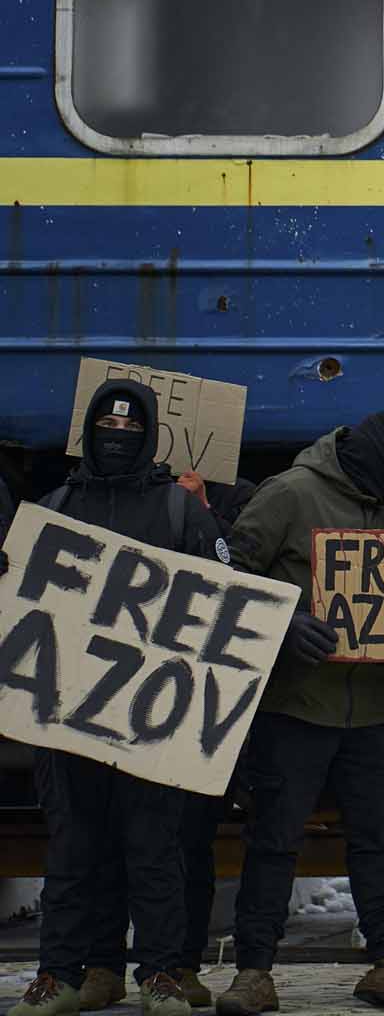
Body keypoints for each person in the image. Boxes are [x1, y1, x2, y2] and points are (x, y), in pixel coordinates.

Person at [217, 412, 384, 1016]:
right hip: (294, 706)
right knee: (274, 839)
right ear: (375, 461)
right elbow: (225, 576)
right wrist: (282, 622)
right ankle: (252, 970)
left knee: (381, 840)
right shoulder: (290, 494)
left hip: (374, 711)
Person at [5, 380, 228, 1016]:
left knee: (154, 851)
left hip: (151, 718)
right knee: (73, 852)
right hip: (66, 716)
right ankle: (61, 975)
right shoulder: (54, 505)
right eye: (108, 426)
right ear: (88, 431)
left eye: (132, 430)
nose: (118, 437)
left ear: (150, 433)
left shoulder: (179, 511)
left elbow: (225, 591)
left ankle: (159, 974)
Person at [77, 472, 261, 1014]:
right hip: (111, 693)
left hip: (188, 704)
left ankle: (180, 965)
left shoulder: (234, 498)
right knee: (105, 838)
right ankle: (102, 966)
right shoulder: (101, 492)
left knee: (188, 843)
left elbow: (243, 574)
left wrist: (208, 515)